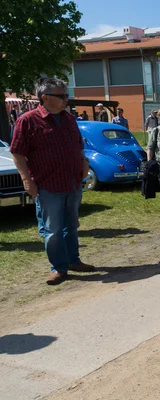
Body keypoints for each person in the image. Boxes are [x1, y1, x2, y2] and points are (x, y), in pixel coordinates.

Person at [10, 77, 95, 285]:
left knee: (72, 225)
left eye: (66, 95)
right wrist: (26, 180)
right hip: (49, 185)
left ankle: (73, 261)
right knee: (53, 228)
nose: (66, 99)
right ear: (45, 97)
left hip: (73, 182)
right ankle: (58, 267)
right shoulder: (27, 120)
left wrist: (83, 162)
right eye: (62, 96)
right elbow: (17, 153)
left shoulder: (68, 118)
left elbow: (77, 145)